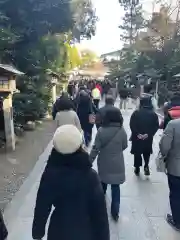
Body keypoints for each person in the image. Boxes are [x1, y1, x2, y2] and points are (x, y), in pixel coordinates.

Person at [32, 125, 110, 240]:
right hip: (86, 231)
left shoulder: (51, 173)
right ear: (80, 145)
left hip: (58, 229)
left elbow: (42, 204)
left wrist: (38, 232)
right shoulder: (90, 175)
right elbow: (100, 213)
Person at [90, 108, 127, 221]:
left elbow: (96, 148)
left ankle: (100, 209)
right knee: (116, 188)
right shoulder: (122, 130)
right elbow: (124, 145)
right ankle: (115, 212)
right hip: (118, 163)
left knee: (102, 186)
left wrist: (89, 160)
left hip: (104, 162)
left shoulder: (101, 130)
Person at [159, 119, 180, 231]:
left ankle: (177, 221)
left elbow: (164, 145)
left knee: (176, 194)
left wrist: (164, 155)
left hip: (176, 166)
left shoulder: (174, 124)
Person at [130, 97, 159, 176]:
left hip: (137, 137)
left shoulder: (136, 113)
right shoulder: (153, 114)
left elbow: (132, 125)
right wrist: (148, 134)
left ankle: (137, 167)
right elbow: (156, 126)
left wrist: (137, 134)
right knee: (147, 152)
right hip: (148, 138)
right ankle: (146, 165)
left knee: (137, 153)